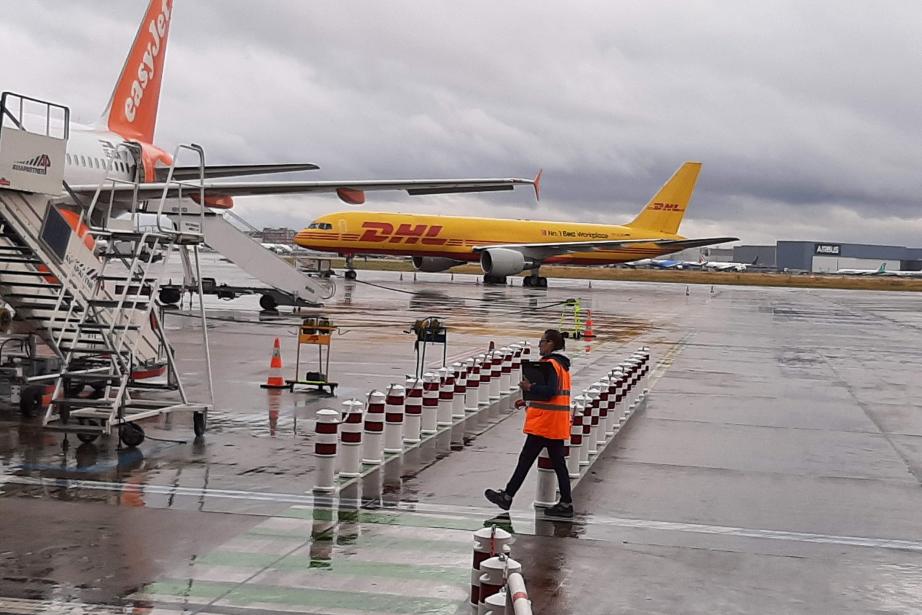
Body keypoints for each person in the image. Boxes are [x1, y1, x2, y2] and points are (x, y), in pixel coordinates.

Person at [485, 329, 573, 518]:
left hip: (545, 423)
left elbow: (549, 391)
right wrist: (527, 400)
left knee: (526, 460)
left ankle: (507, 496)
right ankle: (566, 502)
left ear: (551, 344)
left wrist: (529, 387)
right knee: (558, 464)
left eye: (542, 341)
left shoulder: (551, 364)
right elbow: (554, 395)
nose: (539, 345)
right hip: (555, 423)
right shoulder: (562, 366)